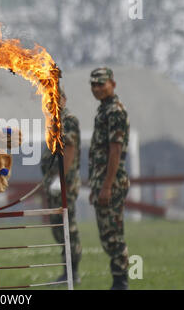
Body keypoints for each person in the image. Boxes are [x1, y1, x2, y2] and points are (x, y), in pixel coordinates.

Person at [88, 67, 130, 290]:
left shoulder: (115, 111)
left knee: (113, 235)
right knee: (107, 234)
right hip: (102, 182)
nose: (96, 88)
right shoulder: (103, 110)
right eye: (93, 84)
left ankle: (121, 282)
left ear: (113, 84)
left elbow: (115, 151)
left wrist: (106, 187)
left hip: (112, 182)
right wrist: (96, 187)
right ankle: (119, 281)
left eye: (101, 83)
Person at [41, 92, 82, 284]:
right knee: (58, 227)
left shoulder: (68, 120)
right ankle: (67, 271)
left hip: (64, 185)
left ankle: (73, 272)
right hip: (54, 184)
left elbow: (70, 148)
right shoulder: (54, 121)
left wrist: (60, 179)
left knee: (67, 227)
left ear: (63, 99)